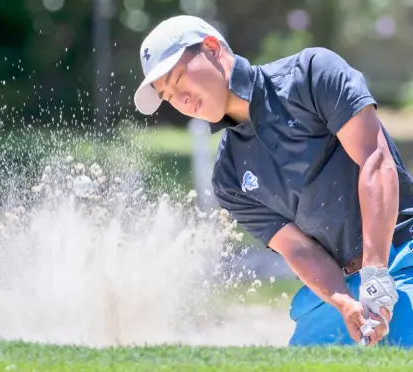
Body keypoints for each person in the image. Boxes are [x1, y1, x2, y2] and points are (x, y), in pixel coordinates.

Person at [133, 15, 413, 347]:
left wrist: (376, 272)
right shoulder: (228, 178)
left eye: (178, 78)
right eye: (168, 95)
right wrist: (344, 303)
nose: (179, 98)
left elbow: (375, 161)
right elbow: (298, 248)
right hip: (343, 288)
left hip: (401, 255)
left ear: (212, 48)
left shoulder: (311, 74)